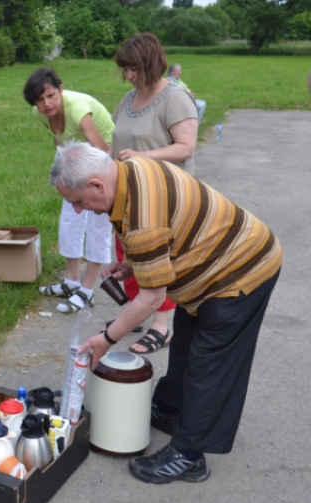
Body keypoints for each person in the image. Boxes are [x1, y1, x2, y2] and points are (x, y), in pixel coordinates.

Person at [49, 141, 282, 485]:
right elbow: (168, 226)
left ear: (97, 184)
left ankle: (189, 455)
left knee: (210, 363)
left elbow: (151, 299)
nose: (81, 210)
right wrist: (133, 263)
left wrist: (107, 338)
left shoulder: (142, 218)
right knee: (185, 343)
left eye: (79, 201)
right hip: (210, 262)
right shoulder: (132, 170)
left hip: (241, 270)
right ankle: (170, 410)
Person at [110, 33, 199, 355]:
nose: (128, 75)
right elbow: (116, 141)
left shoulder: (175, 97)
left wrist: (144, 158)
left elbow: (186, 146)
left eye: (133, 68)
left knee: (157, 262)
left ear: (149, 63)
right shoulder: (129, 98)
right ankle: (136, 312)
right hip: (129, 195)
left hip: (161, 195)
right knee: (130, 257)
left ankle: (161, 328)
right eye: (125, 69)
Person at [23, 66, 115, 314]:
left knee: (98, 227)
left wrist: (89, 189)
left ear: (61, 90)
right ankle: (71, 281)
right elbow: (59, 140)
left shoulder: (78, 110)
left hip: (104, 164)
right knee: (69, 222)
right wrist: (63, 178)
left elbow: (103, 151)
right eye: (40, 100)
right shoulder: (39, 114)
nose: (46, 104)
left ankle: (87, 290)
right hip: (77, 163)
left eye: (51, 96)